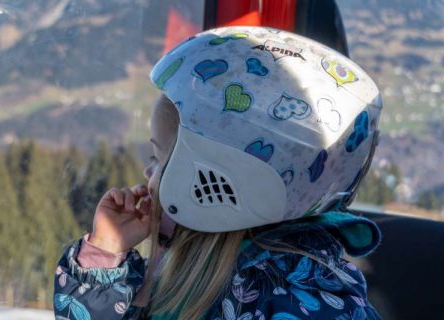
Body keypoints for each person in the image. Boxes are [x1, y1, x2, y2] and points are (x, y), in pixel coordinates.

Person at [54, 26, 383, 320]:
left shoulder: (291, 306)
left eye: (158, 157)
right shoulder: (191, 273)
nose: (147, 171)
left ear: (215, 177)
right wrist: (104, 257)